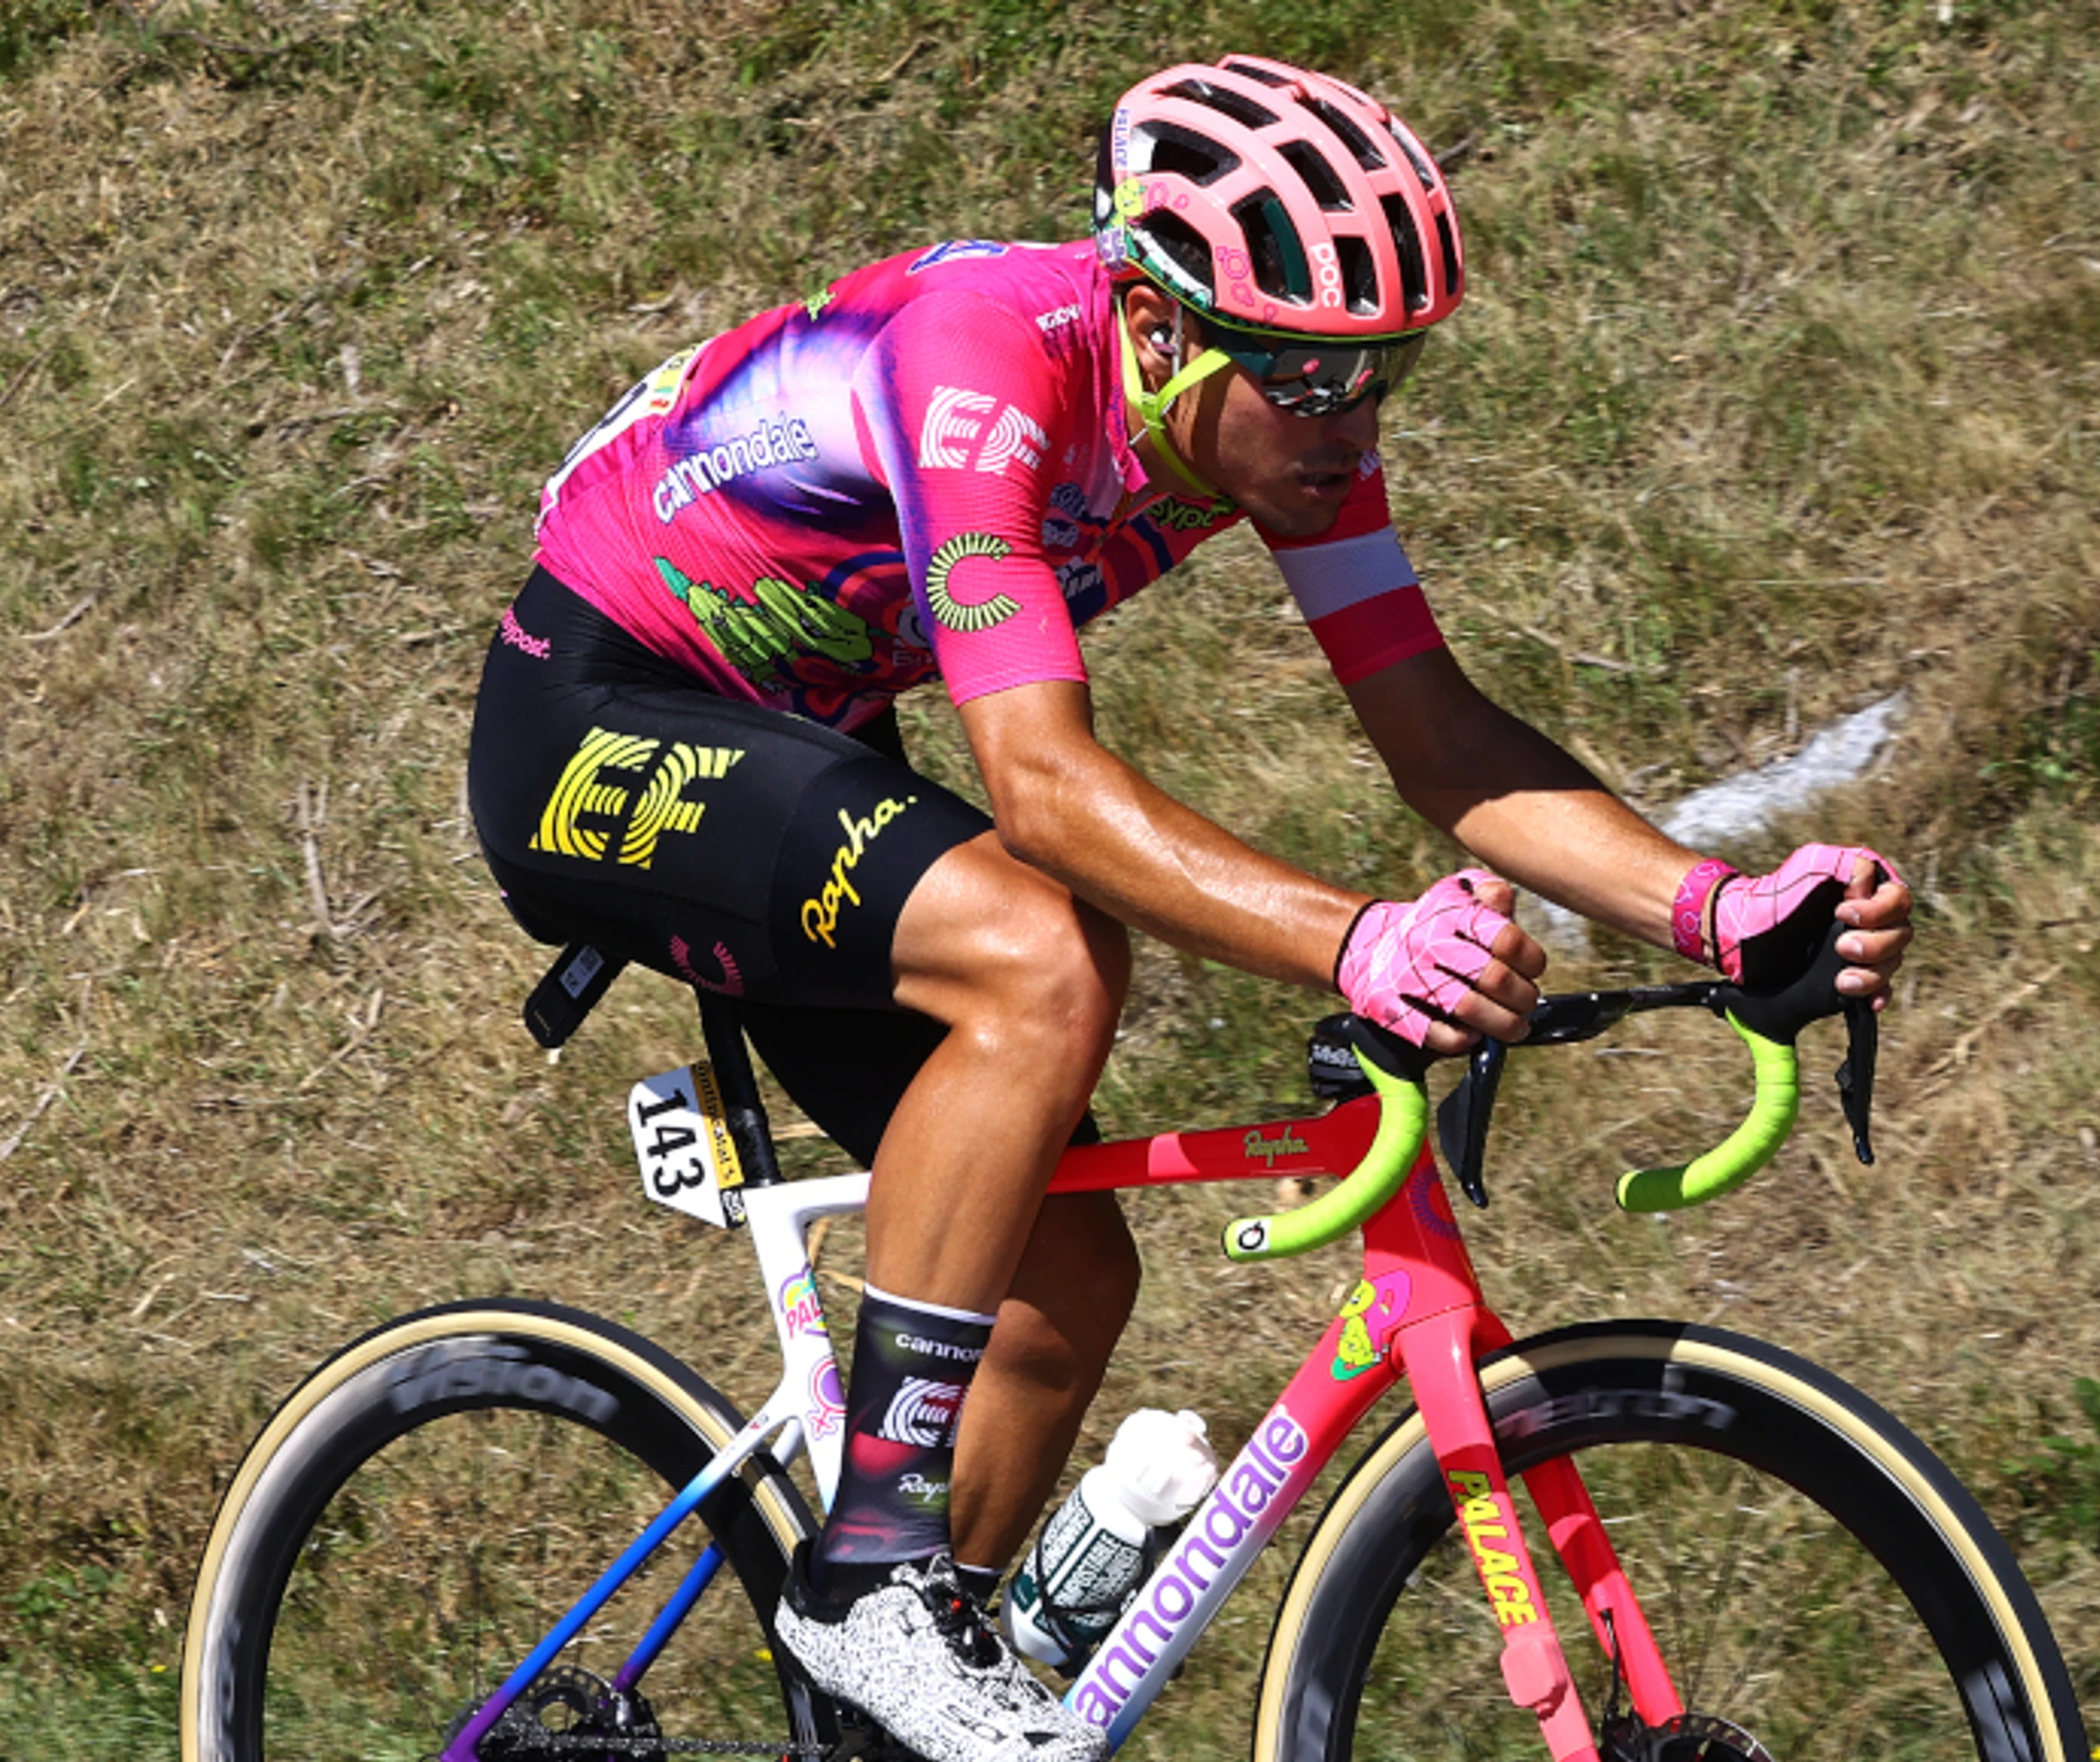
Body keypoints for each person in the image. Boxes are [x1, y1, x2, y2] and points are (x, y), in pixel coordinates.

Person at [466, 54, 1913, 1762]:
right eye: (1307, 374)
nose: (1350, 422)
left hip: (801, 737)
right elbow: (1046, 791)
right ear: (1159, 326)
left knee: (1060, 1274)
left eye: (1386, 373)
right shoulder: (983, 364)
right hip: (596, 715)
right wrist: (1359, 939)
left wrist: (1716, 904)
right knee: (1046, 949)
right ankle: (867, 1573)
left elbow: (1439, 735)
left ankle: (875, 1717)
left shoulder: (1286, 445)